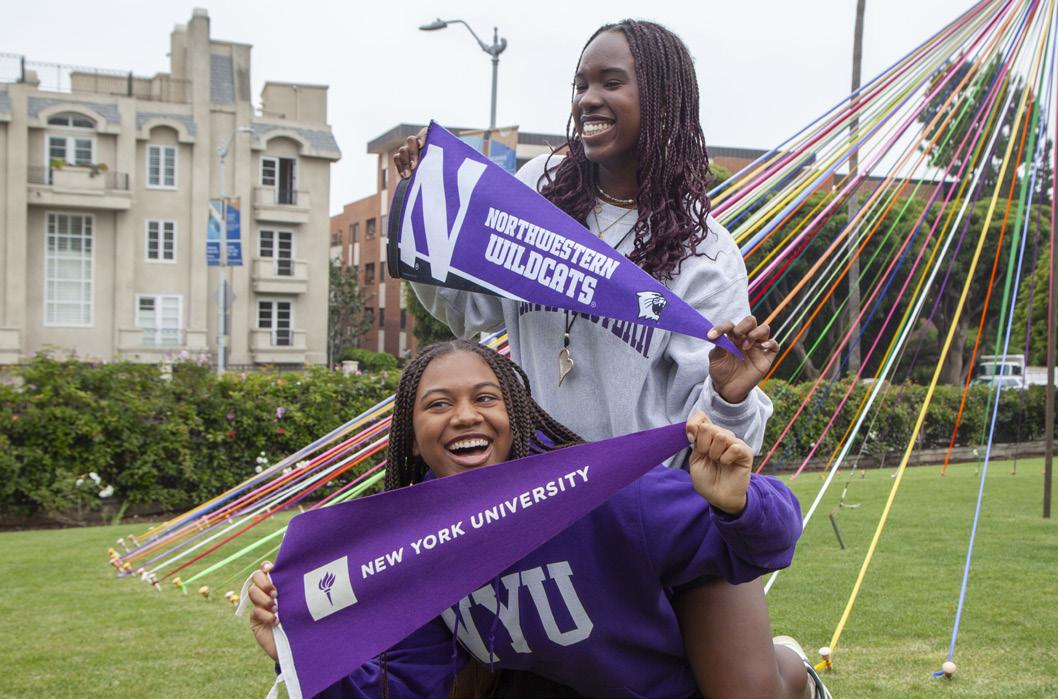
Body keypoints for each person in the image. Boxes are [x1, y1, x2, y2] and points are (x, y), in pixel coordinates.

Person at [393, 20, 805, 697]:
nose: (588, 98)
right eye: (580, 83)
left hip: (653, 509)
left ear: (662, 98)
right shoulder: (537, 191)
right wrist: (423, 216)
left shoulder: (705, 251)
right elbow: (471, 311)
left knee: (741, 689)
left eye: (611, 82)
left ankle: (792, 670)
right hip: (543, 510)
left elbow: (713, 433)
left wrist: (730, 394)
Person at [249, 340, 814, 698]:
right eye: (439, 404)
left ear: (514, 418)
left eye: (485, 398)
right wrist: (295, 651)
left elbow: (773, 540)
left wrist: (738, 504)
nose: (464, 416)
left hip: (693, 587)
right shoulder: (417, 548)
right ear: (412, 438)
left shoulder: (595, 493)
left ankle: (793, 672)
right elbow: (407, 686)